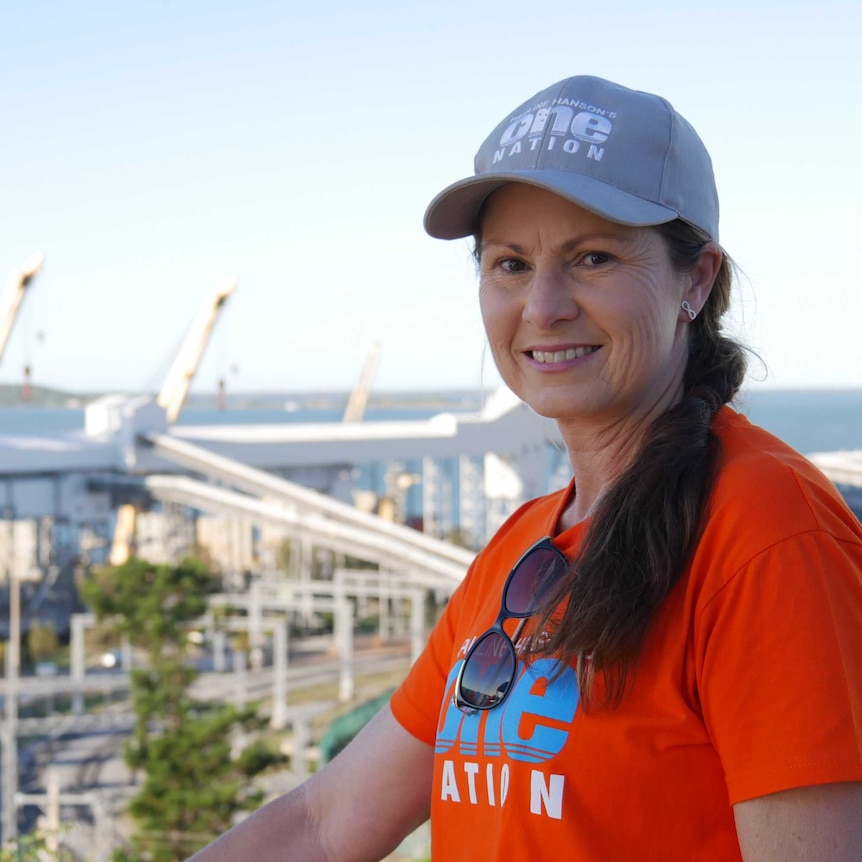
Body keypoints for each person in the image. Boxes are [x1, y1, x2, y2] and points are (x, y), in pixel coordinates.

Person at [188, 75, 862, 861]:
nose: (542, 307)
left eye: (594, 257)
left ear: (697, 278)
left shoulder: (768, 533)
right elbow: (324, 823)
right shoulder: (521, 550)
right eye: (509, 264)